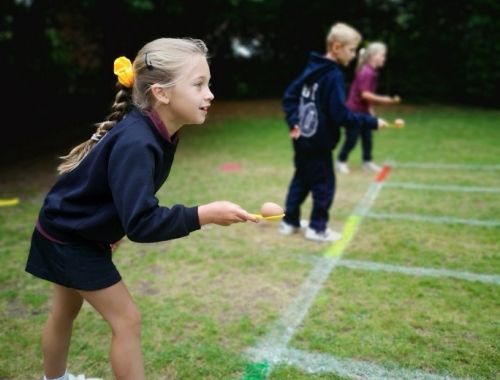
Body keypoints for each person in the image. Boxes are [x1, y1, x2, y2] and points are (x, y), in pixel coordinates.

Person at [25, 37, 257, 380]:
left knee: (65, 311)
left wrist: (107, 228)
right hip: (69, 239)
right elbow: (143, 223)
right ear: (161, 93)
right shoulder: (138, 141)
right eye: (198, 85)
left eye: (208, 83)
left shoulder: (155, 130)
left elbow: (114, 194)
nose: (209, 94)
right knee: (126, 320)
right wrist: (204, 215)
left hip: (72, 229)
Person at [280, 22, 387, 242]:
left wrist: (294, 123)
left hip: (302, 141)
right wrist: (371, 122)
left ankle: (289, 222)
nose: (354, 55)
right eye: (351, 50)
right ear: (336, 47)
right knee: (324, 185)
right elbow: (342, 116)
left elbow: (289, 95)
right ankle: (317, 228)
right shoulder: (333, 75)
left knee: (302, 179)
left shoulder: (313, 67)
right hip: (318, 143)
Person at [336, 42, 400, 174]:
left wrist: (370, 110)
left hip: (363, 111)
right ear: (374, 56)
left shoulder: (371, 71)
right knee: (352, 138)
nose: (384, 58)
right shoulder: (367, 72)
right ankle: (341, 161)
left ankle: (367, 162)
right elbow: (365, 94)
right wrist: (386, 100)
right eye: (382, 55)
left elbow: (365, 95)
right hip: (354, 111)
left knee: (367, 137)